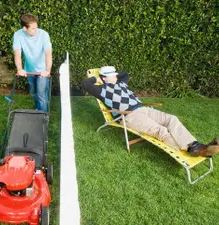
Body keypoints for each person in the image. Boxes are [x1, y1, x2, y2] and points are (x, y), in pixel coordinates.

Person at [81, 66, 219, 157]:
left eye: (115, 74)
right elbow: (85, 84)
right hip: (129, 115)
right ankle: (197, 150)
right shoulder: (101, 90)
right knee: (161, 131)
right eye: (112, 75)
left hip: (143, 109)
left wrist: (112, 74)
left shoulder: (121, 83)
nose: (116, 76)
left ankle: (197, 145)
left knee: (172, 119)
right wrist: (98, 79)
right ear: (104, 78)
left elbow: (125, 73)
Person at [13, 13, 52, 112]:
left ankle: (43, 118)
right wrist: (20, 69)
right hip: (29, 70)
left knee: (41, 95)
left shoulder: (44, 34)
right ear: (25, 28)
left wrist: (47, 70)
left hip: (42, 71)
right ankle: (38, 109)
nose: (36, 31)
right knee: (33, 93)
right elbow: (17, 54)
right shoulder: (18, 35)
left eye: (36, 27)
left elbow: (48, 54)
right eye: (33, 29)